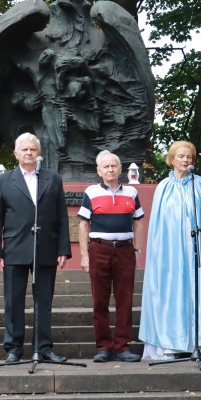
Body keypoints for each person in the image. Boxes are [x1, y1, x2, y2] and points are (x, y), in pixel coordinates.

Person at [139, 141, 201, 361]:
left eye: (189, 157)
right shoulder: (163, 187)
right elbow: (157, 226)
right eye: (181, 156)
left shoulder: (200, 184)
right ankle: (170, 344)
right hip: (171, 254)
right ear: (171, 159)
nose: (185, 160)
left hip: (198, 251)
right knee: (171, 291)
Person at [0, 133, 72, 364]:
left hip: (45, 247)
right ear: (15, 154)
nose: (28, 153)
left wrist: (63, 248)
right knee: (13, 301)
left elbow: (62, 216)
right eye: (24, 149)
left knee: (44, 300)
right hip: (14, 248)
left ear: (39, 153)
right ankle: (14, 349)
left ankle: (43, 348)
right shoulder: (5, 180)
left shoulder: (52, 178)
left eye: (32, 150)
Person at [77, 150, 145, 363]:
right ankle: (104, 347)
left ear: (120, 169)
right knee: (100, 300)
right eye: (105, 166)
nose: (110, 169)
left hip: (125, 250)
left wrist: (137, 250)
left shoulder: (132, 193)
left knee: (125, 299)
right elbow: (83, 224)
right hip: (99, 249)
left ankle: (122, 347)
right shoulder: (91, 191)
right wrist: (84, 255)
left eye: (113, 166)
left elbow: (138, 222)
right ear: (99, 171)